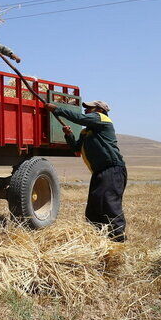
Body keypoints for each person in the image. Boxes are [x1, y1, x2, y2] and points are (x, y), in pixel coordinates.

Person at [45, 100, 127, 241]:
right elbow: (76, 148)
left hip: (112, 169)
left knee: (109, 204)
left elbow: (80, 118)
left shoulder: (102, 119)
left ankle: (118, 241)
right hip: (99, 172)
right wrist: (69, 135)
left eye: (90, 109)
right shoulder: (85, 132)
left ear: (99, 110)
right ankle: (97, 239)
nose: (86, 111)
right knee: (93, 208)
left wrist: (57, 110)